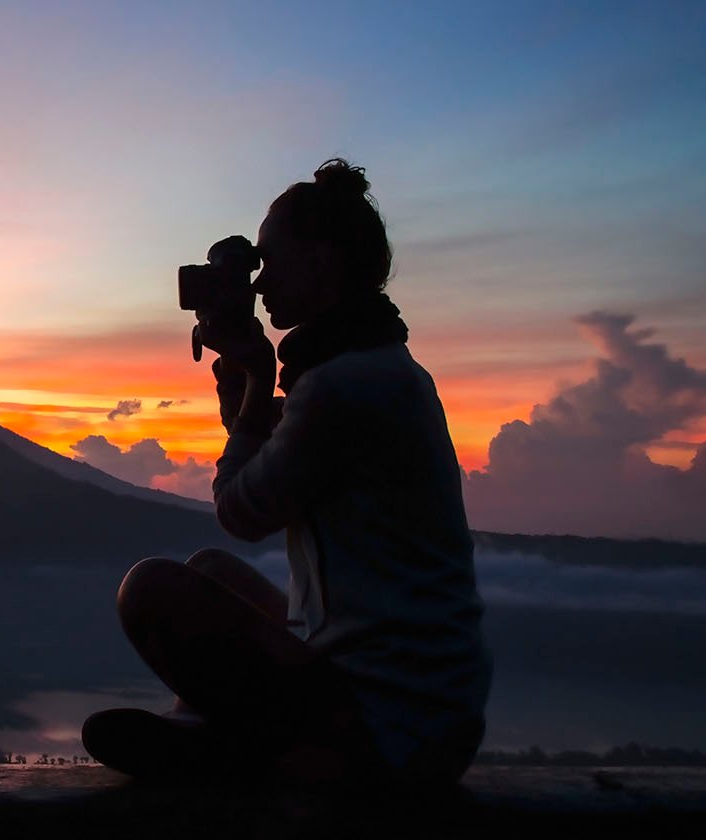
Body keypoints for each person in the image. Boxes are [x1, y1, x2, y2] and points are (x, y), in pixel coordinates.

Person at [81, 159, 492, 789]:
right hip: (422, 705)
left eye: (269, 260)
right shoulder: (375, 368)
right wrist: (248, 373)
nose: (260, 281)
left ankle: (233, 750)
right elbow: (276, 452)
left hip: (386, 726)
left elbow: (241, 508)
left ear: (322, 262)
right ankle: (207, 730)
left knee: (151, 590)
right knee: (209, 573)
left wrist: (259, 377)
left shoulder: (345, 384)